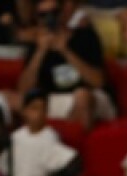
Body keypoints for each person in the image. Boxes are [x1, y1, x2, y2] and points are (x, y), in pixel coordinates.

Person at [16, 0, 111, 129]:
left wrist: (65, 51)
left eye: (53, 13)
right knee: (10, 99)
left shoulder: (86, 36)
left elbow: (98, 81)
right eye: (43, 15)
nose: (49, 19)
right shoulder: (36, 45)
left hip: (92, 97)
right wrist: (40, 52)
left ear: (62, 14)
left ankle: (77, 143)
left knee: (81, 95)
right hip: (54, 98)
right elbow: (24, 90)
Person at [9, 89, 79, 176]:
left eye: (43, 109)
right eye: (34, 108)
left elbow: (72, 160)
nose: (39, 113)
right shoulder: (15, 138)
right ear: (24, 111)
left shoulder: (49, 136)